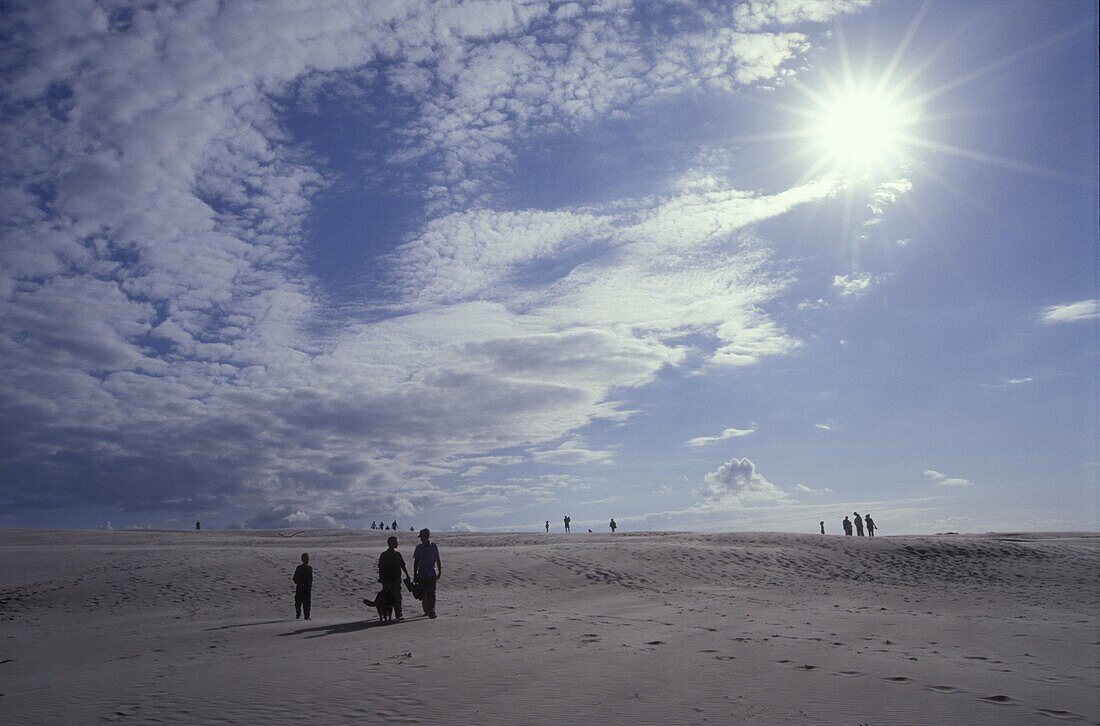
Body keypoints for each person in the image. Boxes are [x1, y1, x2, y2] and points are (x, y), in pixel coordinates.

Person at [377, 536, 409, 622]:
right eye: (395, 542)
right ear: (390, 543)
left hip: (395, 580)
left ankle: (398, 614)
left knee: (397, 597)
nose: (397, 543)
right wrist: (381, 578)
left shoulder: (397, 554)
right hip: (387, 581)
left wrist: (407, 575)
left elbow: (403, 566)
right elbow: (380, 567)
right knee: (387, 599)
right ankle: (387, 615)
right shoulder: (384, 555)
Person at [413, 528, 442, 619]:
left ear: (427, 537)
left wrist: (440, 571)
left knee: (432, 593)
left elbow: (438, 559)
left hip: (431, 573)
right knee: (423, 593)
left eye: (423, 537)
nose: (422, 539)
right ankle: (426, 610)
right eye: (421, 537)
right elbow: (416, 562)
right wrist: (415, 574)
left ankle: (432, 610)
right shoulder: (418, 548)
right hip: (421, 574)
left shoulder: (434, 546)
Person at [293, 553, 313, 620]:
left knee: (307, 604)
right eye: (304, 558)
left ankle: (307, 617)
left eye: (307, 558)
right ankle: (298, 615)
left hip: (307, 590)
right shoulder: (299, 568)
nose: (306, 560)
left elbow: (311, 578)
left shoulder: (310, 568)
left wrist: (310, 585)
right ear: (302, 559)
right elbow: (295, 578)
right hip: (300, 589)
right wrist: (300, 583)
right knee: (298, 603)